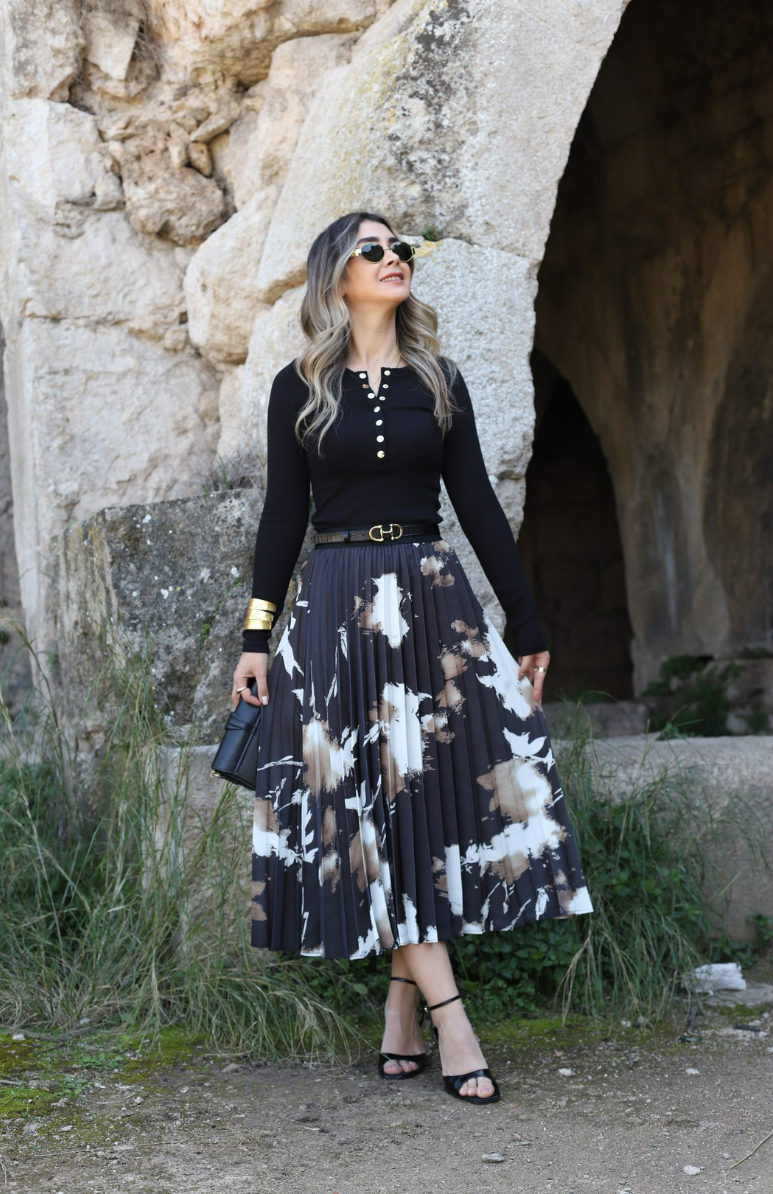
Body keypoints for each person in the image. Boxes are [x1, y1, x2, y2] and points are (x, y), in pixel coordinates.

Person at [231, 211, 593, 1104]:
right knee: (368, 812)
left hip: (431, 603)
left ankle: (402, 1007)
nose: (393, 259)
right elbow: (282, 518)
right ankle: (452, 1022)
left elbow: (477, 507)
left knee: (423, 810)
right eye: (374, 249)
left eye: (401, 249)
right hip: (336, 610)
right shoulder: (299, 388)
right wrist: (255, 637)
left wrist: (527, 623)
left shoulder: (439, 379)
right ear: (337, 276)